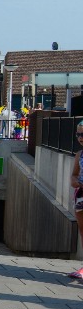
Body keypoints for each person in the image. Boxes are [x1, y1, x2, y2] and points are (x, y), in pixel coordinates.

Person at [68, 119, 83, 279]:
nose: (80, 137)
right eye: (78, 134)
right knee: (82, 229)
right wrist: (74, 181)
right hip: (81, 194)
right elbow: (74, 174)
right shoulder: (80, 154)